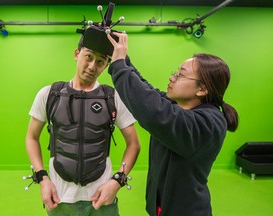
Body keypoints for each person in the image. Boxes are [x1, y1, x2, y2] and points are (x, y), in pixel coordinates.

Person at [107, 32, 239, 216]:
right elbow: (147, 90)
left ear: (202, 89)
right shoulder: (178, 107)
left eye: (180, 75)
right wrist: (118, 55)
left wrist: (119, 66)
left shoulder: (210, 123)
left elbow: (152, 110)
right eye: (174, 73)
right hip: (162, 207)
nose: (172, 78)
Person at [25, 31, 140, 216]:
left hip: (102, 197)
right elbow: (31, 137)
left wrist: (117, 181)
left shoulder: (113, 97)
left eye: (100, 61)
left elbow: (134, 144)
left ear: (106, 65)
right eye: (88, 57)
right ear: (77, 54)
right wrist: (42, 178)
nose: (92, 66)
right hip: (60, 197)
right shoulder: (49, 94)